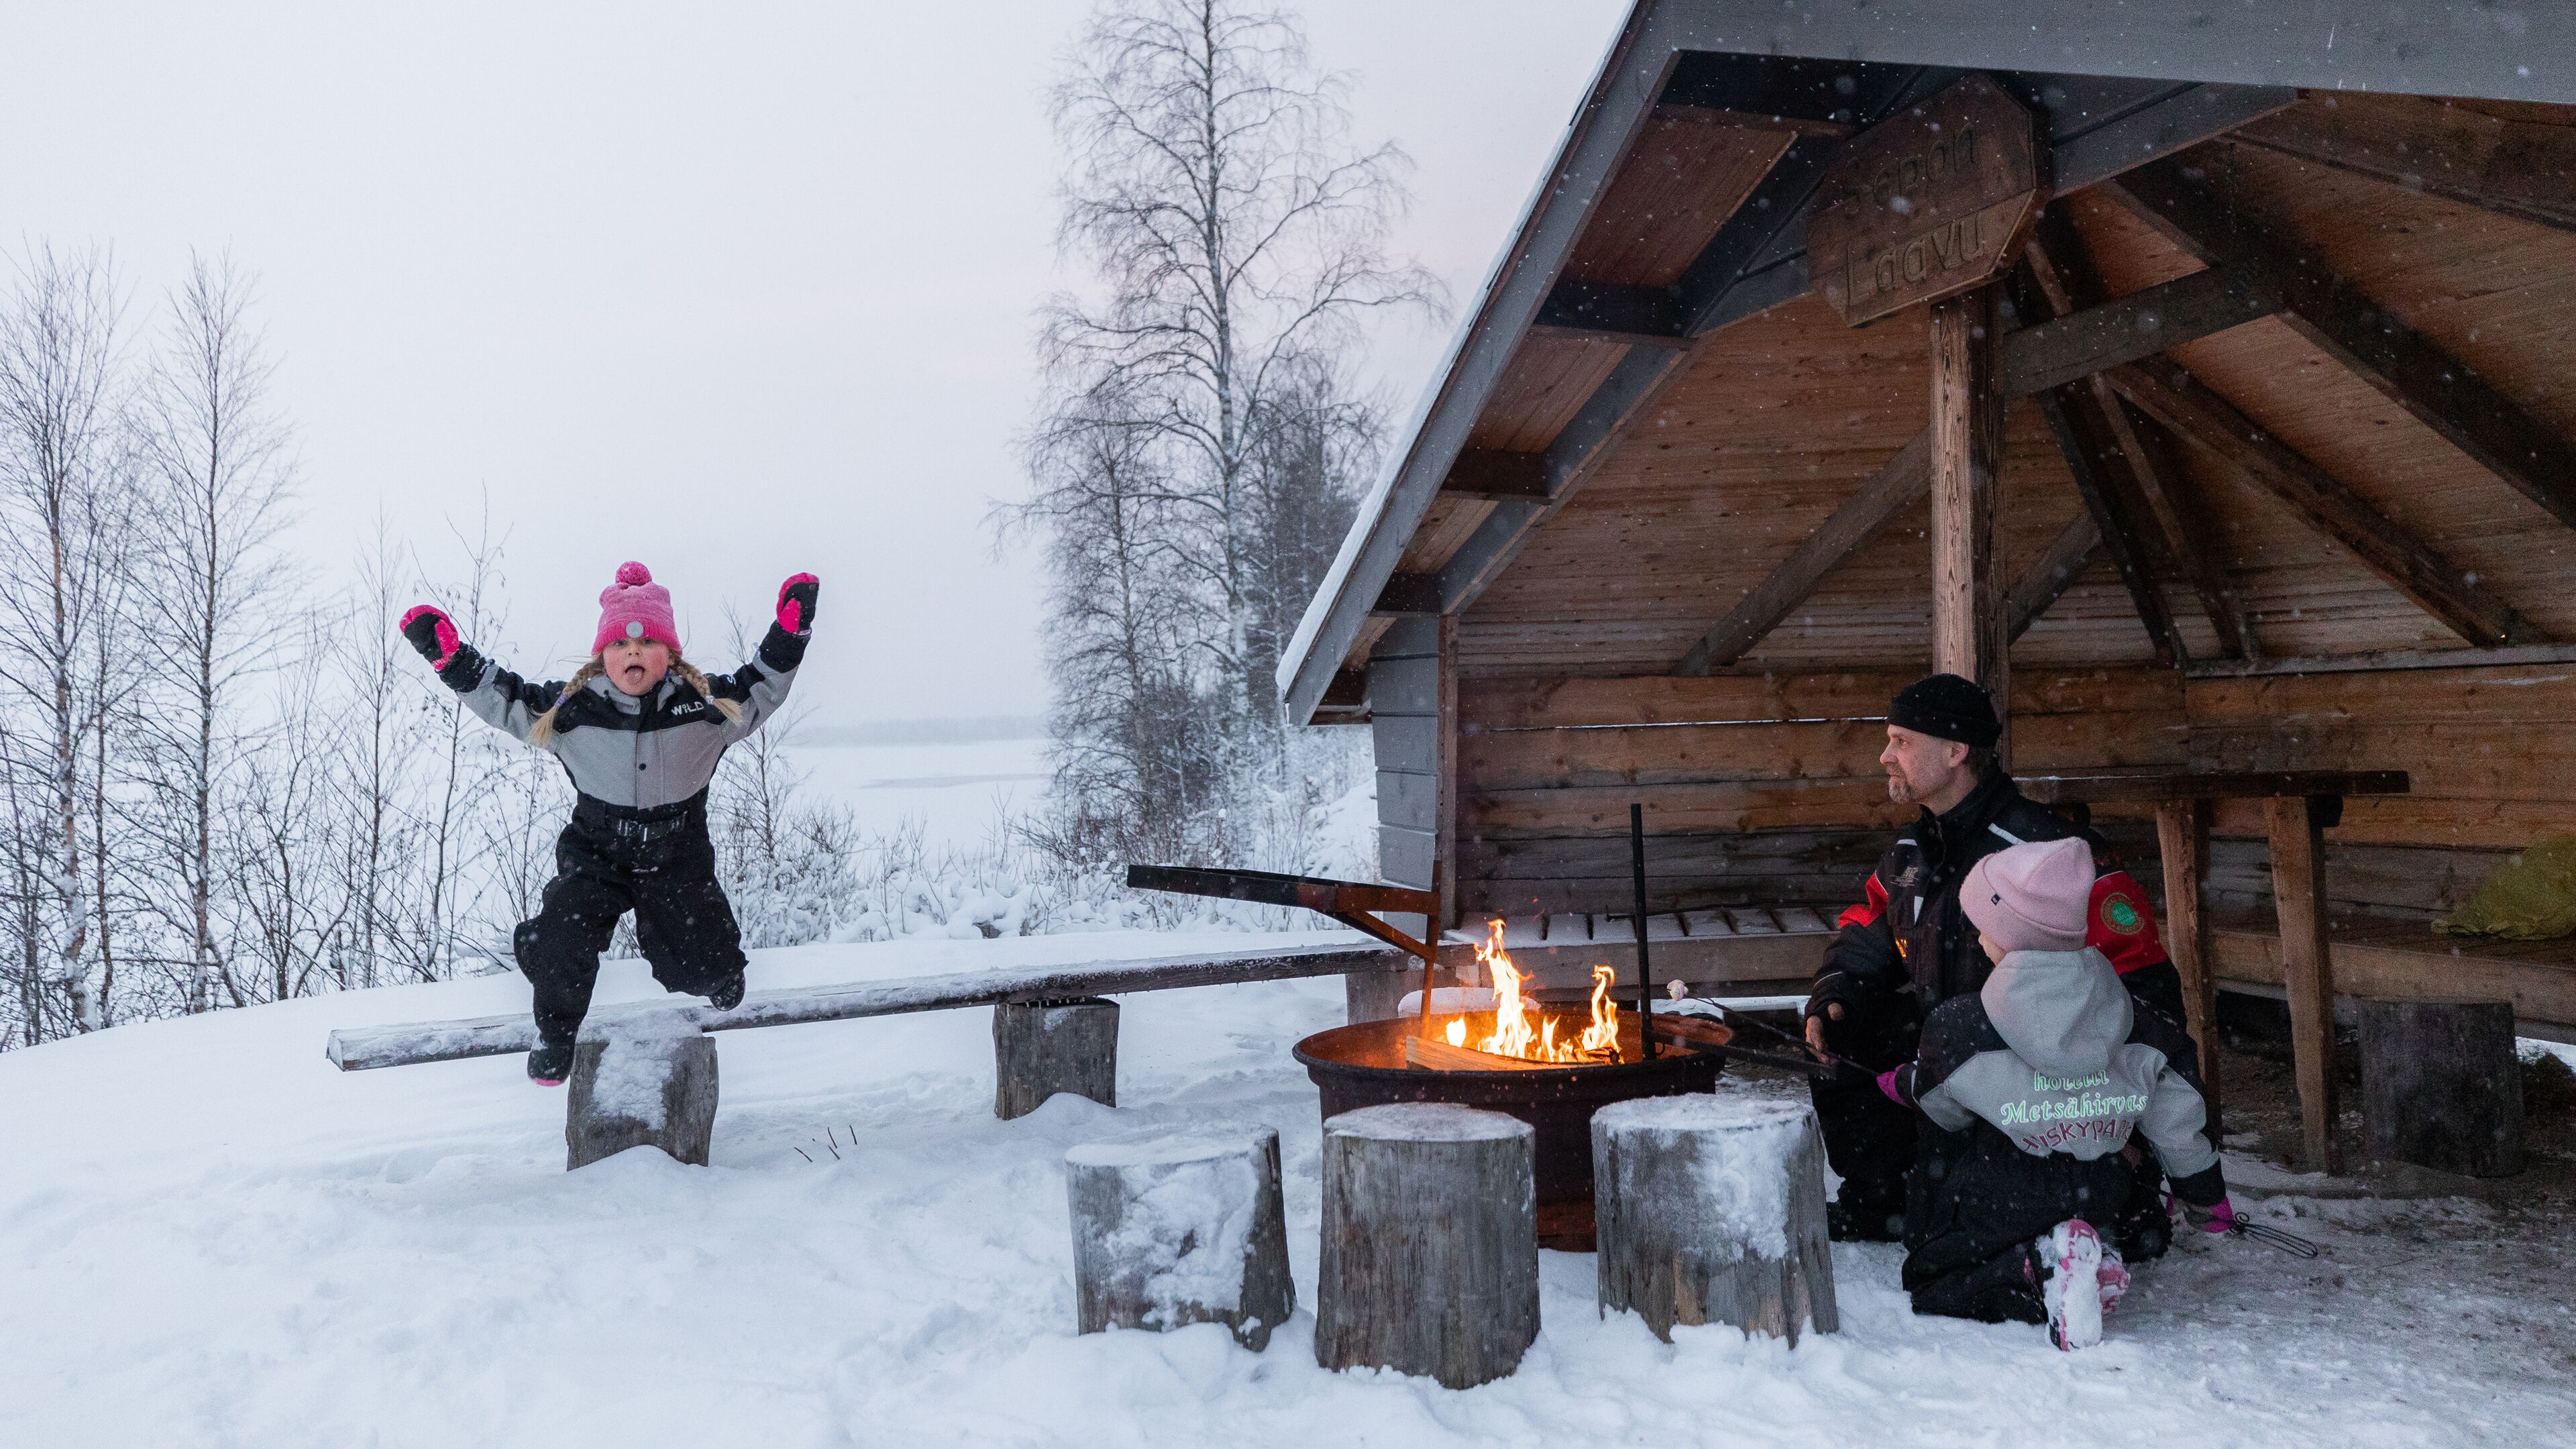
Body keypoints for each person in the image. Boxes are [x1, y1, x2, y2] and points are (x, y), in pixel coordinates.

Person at [399, 561, 818, 1084]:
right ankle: (555, 1034)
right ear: (603, 656)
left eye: (647, 645)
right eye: (620, 645)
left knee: (704, 964)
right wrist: (451, 659)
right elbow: (505, 700)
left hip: (677, 854)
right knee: (562, 937)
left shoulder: (706, 707)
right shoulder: (572, 710)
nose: (633, 653)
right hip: (598, 852)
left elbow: (762, 688)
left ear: (670, 655)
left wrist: (790, 632)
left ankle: (715, 970)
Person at [1805, 673, 2189, 1242]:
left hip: (2038, 1076)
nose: (1885, 756)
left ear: (1956, 751)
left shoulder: (2051, 853)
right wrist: (1835, 991)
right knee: (1843, 1029)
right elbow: (1869, 927)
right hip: (1957, 1056)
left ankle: (2107, 1195)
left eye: (1901, 741)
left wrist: (2130, 1123)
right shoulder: (1912, 851)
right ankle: (1882, 1203)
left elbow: (2142, 984)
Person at [1874, 837, 2233, 1350]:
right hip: (2104, 1181)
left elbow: (1943, 1109)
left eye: (1985, 926)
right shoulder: (2140, 1020)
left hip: (2005, 1186)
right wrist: (2205, 1199)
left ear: (2006, 935)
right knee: (2066, 1200)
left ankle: (2040, 1268)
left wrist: (1903, 1083)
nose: (1977, 937)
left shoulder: (1960, 1028)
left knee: (1931, 1278)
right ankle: (2084, 1255)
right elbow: (2178, 1120)